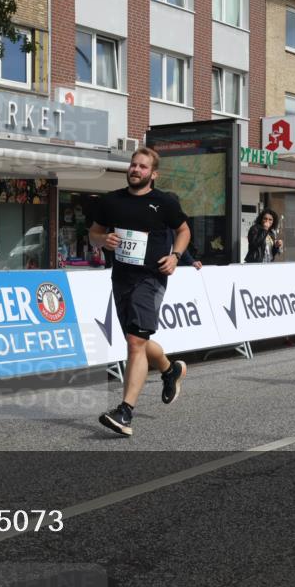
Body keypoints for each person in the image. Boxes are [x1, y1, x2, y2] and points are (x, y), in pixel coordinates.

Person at [89, 147, 192, 436]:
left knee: (134, 342)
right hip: (121, 277)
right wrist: (102, 240)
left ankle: (125, 412)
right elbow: (93, 232)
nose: (135, 170)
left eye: (142, 167)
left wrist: (175, 256)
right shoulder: (112, 201)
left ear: (153, 174)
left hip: (151, 277)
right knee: (137, 340)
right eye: (133, 165)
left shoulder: (164, 203)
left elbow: (184, 230)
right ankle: (169, 369)